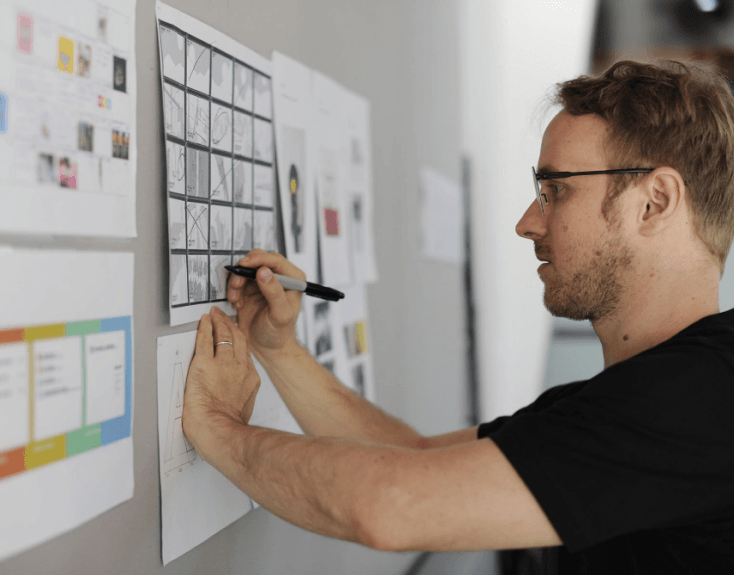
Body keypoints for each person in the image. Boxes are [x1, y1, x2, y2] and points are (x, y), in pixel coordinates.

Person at [182, 59, 734, 574]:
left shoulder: (702, 397)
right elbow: (411, 458)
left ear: (655, 201)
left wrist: (217, 428)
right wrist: (278, 349)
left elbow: (389, 506)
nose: (527, 223)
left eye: (555, 190)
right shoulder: (635, 399)